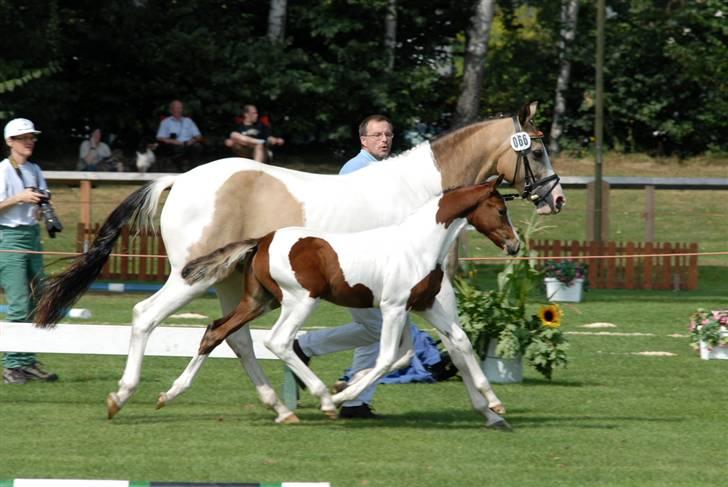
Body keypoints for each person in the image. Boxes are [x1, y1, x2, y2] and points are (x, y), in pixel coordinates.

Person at [294, 114, 411, 419]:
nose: (384, 139)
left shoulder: (386, 170)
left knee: (374, 330)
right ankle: (306, 346)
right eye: (377, 135)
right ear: (363, 140)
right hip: (355, 267)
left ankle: (356, 402)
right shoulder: (356, 171)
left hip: (376, 265)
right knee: (379, 328)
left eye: (388, 134)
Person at [1, 118, 59, 384]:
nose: (29, 141)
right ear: (9, 141)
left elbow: (40, 201)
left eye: (32, 137)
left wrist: (41, 208)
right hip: (9, 238)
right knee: (19, 302)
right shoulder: (2, 170)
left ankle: (27, 360)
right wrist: (19, 198)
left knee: (39, 298)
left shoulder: (35, 169)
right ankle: (12, 365)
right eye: (23, 137)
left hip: (32, 236)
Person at [155, 99, 204, 171]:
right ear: (171, 110)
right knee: (174, 149)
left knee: (197, 147)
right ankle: (180, 170)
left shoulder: (188, 121)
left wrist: (192, 140)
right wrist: (172, 141)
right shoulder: (166, 122)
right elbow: (159, 137)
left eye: (180, 108)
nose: (179, 110)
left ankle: (193, 170)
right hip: (173, 146)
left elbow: (198, 136)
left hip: (188, 144)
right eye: (177, 108)